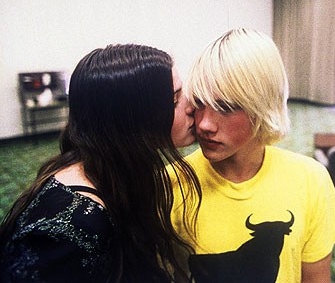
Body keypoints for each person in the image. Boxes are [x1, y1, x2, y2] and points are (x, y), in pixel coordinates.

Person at [0, 44, 201, 282]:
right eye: (175, 100)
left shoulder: (119, 169)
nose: (192, 106)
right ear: (133, 120)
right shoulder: (71, 231)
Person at [170, 28, 335, 282]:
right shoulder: (170, 184)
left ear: (262, 106)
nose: (204, 124)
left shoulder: (311, 179)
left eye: (226, 106)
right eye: (199, 103)